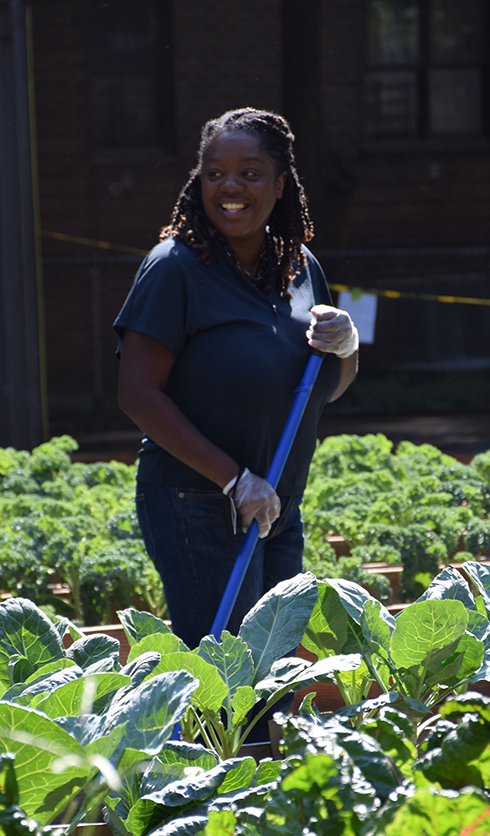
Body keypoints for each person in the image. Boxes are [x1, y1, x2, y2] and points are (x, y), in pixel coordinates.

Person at [114, 107, 358, 650]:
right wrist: (234, 480)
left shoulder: (300, 267)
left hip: (277, 504)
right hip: (197, 503)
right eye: (214, 172)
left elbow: (322, 391)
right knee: (228, 679)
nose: (230, 186)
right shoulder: (174, 268)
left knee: (274, 678)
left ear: (279, 185)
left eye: (249, 173)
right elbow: (136, 392)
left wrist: (347, 348)